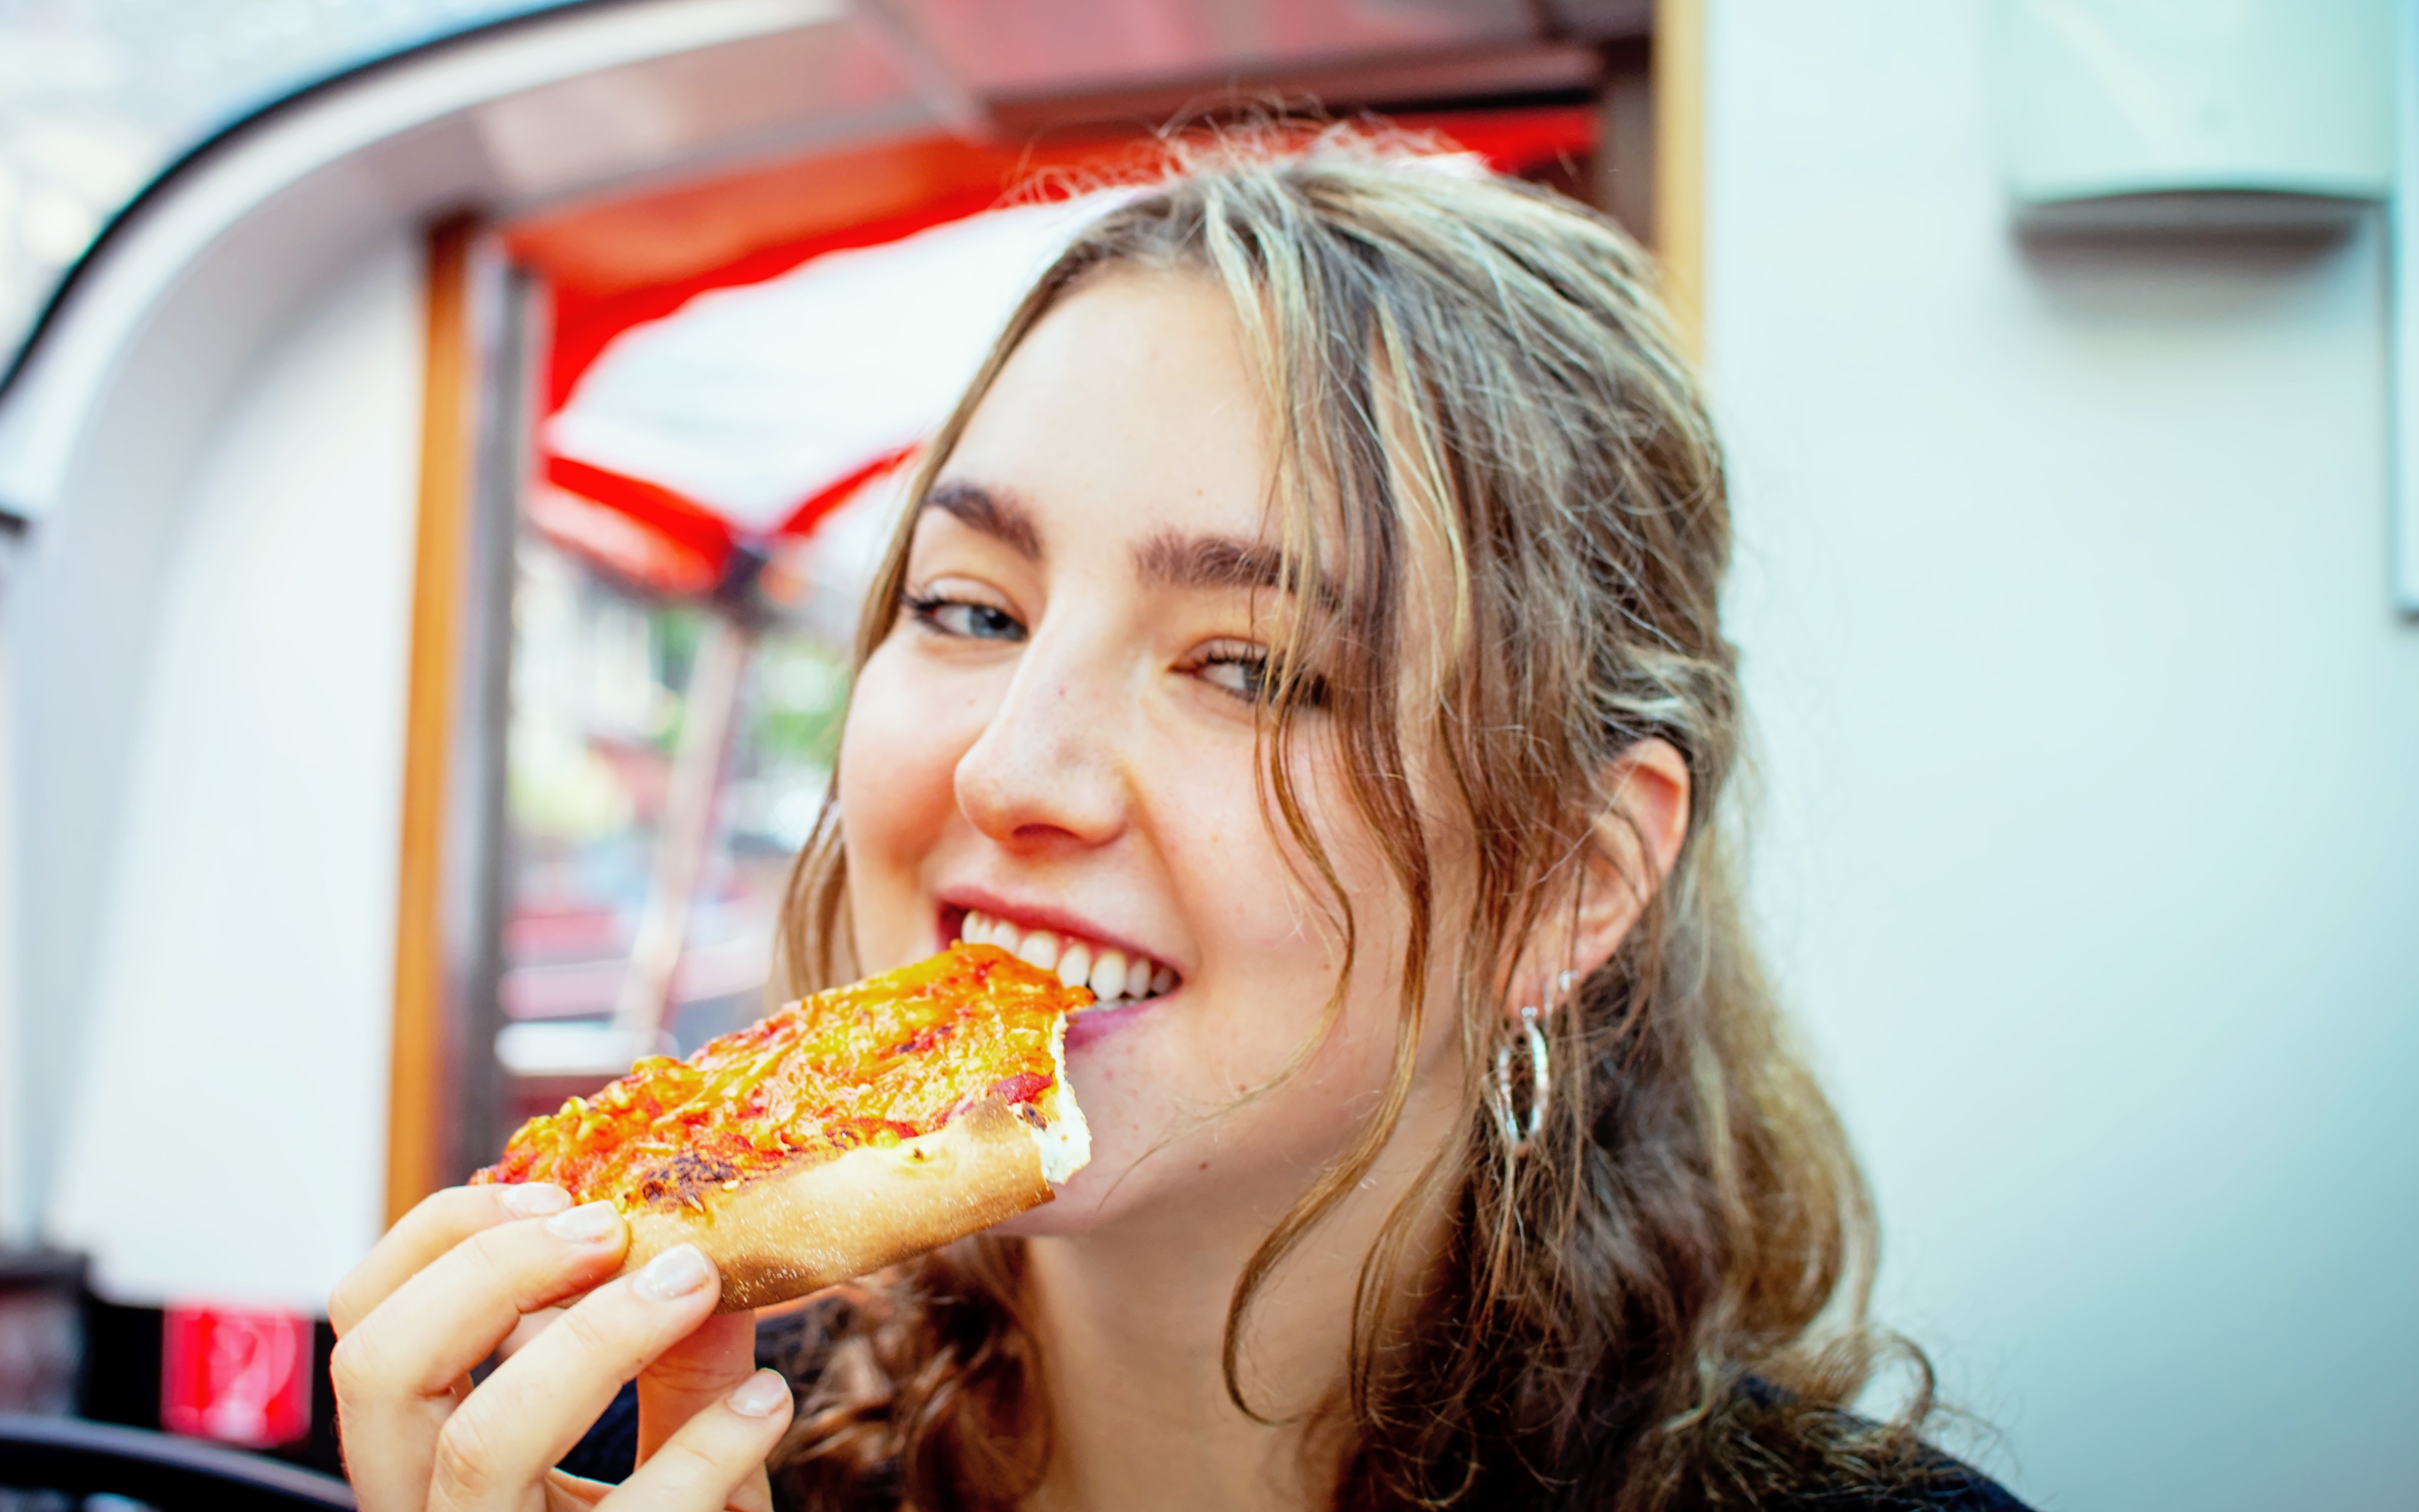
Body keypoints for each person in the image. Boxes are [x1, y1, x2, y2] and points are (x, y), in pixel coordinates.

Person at [328, 128, 2032, 1511]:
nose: (1011, 769)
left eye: (1249, 665)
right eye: (969, 609)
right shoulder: (621, 1466)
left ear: (1566, 884)